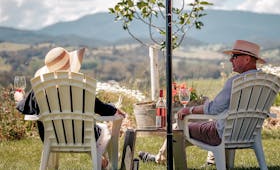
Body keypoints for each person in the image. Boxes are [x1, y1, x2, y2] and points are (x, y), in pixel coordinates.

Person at [138, 40, 266, 167]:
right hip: (249, 132)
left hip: (222, 134)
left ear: (247, 59)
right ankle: (212, 161)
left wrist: (189, 110)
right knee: (207, 123)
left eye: (234, 56)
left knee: (178, 127)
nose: (230, 60)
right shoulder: (265, 81)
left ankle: (160, 159)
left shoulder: (235, 82)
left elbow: (214, 108)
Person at [14, 46, 125, 169]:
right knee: (102, 129)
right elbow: (100, 108)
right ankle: (104, 162)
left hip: (51, 138)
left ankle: (103, 162)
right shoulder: (79, 89)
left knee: (89, 129)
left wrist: (20, 97)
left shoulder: (39, 92)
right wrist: (114, 109)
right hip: (83, 137)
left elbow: (24, 107)